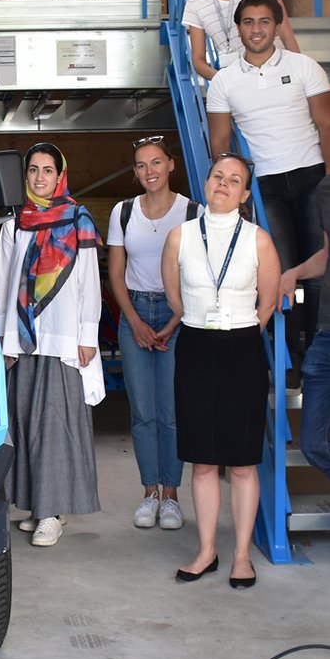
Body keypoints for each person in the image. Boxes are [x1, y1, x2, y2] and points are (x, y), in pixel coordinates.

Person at [161, 154, 279, 588]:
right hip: (195, 347)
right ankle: (207, 550)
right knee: (204, 461)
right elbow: (175, 296)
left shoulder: (258, 240)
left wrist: (238, 330)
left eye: (235, 181)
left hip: (242, 350)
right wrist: (202, 321)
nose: (224, 185)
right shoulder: (180, 236)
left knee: (243, 463)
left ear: (245, 194)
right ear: (206, 184)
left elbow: (267, 302)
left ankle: (242, 555)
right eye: (217, 177)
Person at [207, 0, 330, 360]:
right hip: (265, 186)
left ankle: (319, 349)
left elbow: (326, 124)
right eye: (248, 22)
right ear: (238, 29)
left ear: (277, 26)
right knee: (280, 268)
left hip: (312, 177)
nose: (256, 29)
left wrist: (329, 182)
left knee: (319, 264)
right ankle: (290, 356)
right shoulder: (224, 81)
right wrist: (236, 191)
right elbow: (220, 145)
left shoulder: (305, 66)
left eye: (264, 21)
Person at [0, 144, 103, 547]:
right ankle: (38, 507)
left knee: (54, 427)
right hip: (21, 340)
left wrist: (88, 336)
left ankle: (53, 513)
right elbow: (1, 287)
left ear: (61, 175)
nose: (40, 178)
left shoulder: (78, 220)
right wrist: (2, 338)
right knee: (23, 425)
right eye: (33, 170)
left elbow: (90, 282)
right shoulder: (15, 225)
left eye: (48, 170)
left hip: (62, 338)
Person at [107, 136, 201, 531]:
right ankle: (149, 493)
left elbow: (198, 275)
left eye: (156, 163)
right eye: (142, 165)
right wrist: (136, 323)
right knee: (144, 413)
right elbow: (114, 273)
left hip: (178, 313)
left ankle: (172, 497)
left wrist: (172, 321)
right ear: (135, 173)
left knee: (172, 412)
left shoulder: (192, 211)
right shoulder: (123, 212)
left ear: (171, 165)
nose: (150, 171)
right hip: (135, 314)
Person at [279, 175, 330, 480]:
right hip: (326, 334)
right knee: (314, 443)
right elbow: (327, 253)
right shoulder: (325, 189)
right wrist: (294, 272)